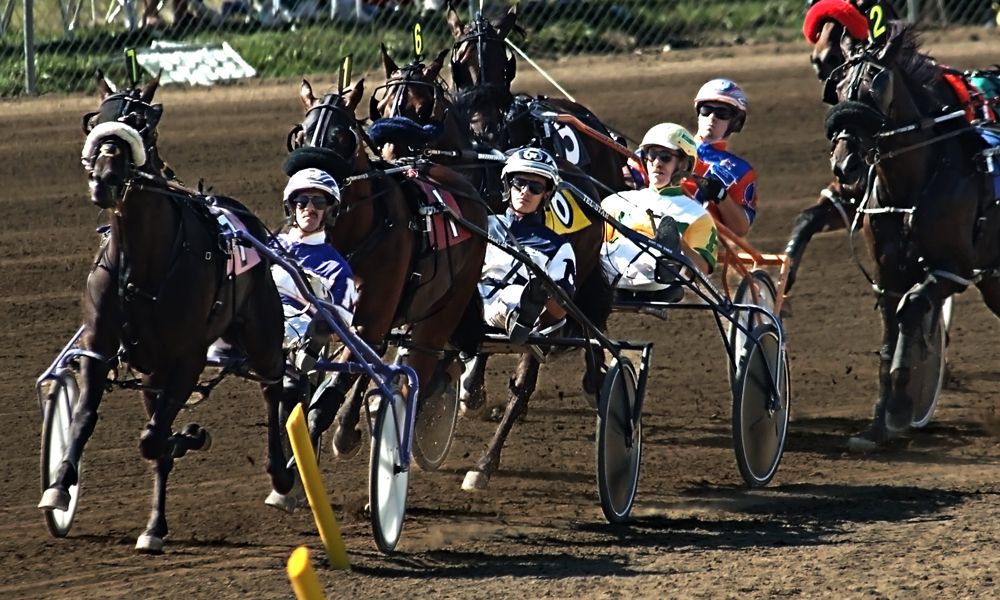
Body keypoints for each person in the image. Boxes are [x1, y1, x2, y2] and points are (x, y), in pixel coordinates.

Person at [601, 122, 719, 296]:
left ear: (683, 165)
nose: (656, 163)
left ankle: (666, 256)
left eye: (665, 157)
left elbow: (701, 270)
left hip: (657, 277)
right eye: (652, 156)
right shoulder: (617, 201)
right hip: (609, 268)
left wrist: (678, 245)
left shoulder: (697, 215)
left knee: (658, 256)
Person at [270, 168, 358, 389]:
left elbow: (341, 325)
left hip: (296, 338)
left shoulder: (337, 267)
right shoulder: (267, 245)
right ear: (291, 207)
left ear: (329, 211)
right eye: (302, 201)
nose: (309, 208)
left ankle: (302, 360)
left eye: (319, 202)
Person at [479, 147, 576, 344]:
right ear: (508, 184)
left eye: (536, 187)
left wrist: (544, 290)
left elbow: (560, 311)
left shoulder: (558, 246)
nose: (525, 191)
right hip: (470, 298)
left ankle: (521, 320)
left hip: (508, 306)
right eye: (519, 183)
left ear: (546, 194)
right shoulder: (481, 224)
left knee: (513, 294)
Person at [689, 78, 759, 238]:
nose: (712, 117)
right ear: (699, 114)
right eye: (706, 110)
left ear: (735, 122)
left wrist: (721, 196)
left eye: (722, 113)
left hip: (695, 242)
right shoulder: (668, 143)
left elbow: (740, 229)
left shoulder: (741, 171)